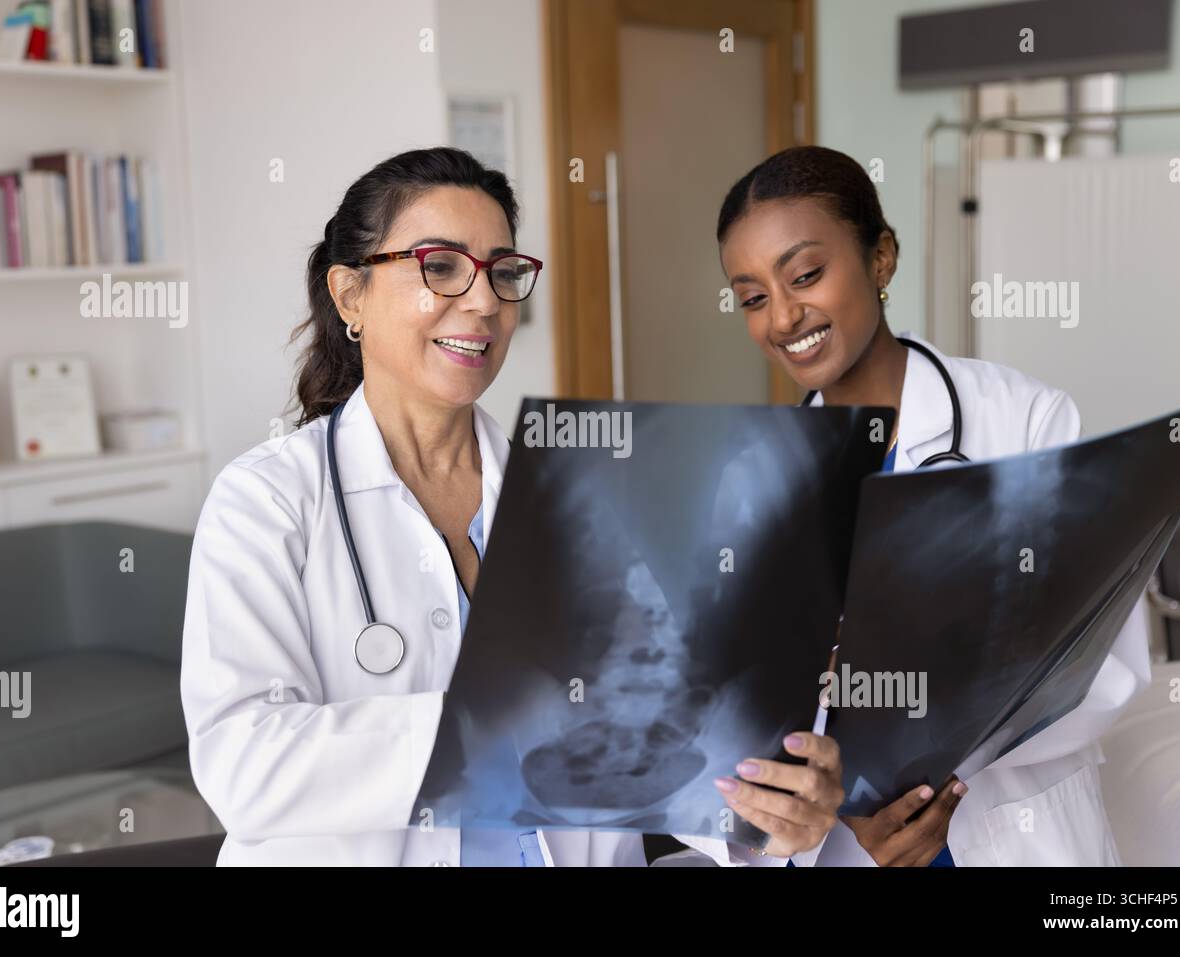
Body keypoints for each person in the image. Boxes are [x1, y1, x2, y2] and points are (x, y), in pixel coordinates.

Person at [180, 146, 842, 866]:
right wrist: (490, 723)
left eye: (501, 271)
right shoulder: (267, 501)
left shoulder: (590, 496)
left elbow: (657, 738)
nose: (484, 300)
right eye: (440, 266)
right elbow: (243, 765)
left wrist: (765, 818)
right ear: (350, 296)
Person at [714, 145, 1151, 866]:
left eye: (805, 275)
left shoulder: (1026, 422)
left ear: (881, 258)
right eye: (754, 297)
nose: (784, 316)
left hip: (1016, 831)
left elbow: (1107, 663)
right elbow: (750, 716)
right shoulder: (750, 483)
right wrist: (842, 807)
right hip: (855, 847)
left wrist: (923, 771)